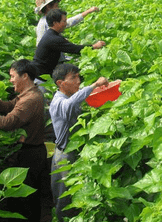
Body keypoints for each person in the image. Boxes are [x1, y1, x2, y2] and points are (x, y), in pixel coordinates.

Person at [0, 59, 47, 222]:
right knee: (24, 199)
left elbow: (7, 123)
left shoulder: (30, 100)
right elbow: (9, 107)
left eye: (13, 76)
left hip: (30, 154)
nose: (10, 80)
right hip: (31, 151)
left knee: (26, 201)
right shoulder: (29, 94)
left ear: (25, 76)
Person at [49, 63, 109, 222]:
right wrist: (94, 85)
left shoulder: (70, 96)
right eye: (73, 78)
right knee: (65, 196)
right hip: (64, 154)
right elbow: (70, 106)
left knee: (75, 192)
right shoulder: (58, 101)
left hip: (73, 151)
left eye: (78, 77)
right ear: (60, 83)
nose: (78, 81)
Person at [33, 9, 106, 78]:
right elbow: (75, 49)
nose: (66, 24)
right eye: (64, 21)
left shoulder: (51, 34)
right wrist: (94, 46)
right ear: (55, 23)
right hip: (41, 76)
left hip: (44, 71)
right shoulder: (53, 38)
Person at [34, 0, 99, 46]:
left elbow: (68, 22)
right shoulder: (44, 23)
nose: (58, 8)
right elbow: (42, 44)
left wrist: (88, 11)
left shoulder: (49, 19)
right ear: (48, 7)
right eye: (56, 6)